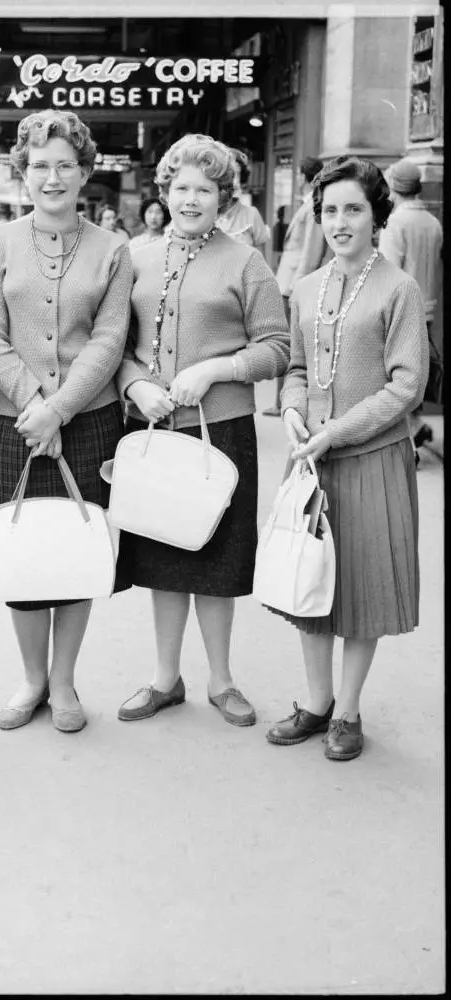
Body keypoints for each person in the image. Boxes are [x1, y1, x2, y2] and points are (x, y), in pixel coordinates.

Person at [116, 133, 289, 726]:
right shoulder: (134, 258)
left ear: (224, 197)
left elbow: (277, 350)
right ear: (165, 192)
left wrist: (215, 369)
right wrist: (136, 385)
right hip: (155, 432)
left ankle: (222, 681)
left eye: (205, 189)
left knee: (216, 560)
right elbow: (116, 346)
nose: (191, 199)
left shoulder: (246, 261)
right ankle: (166, 679)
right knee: (164, 554)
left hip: (225, 431)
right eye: (181, 187)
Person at [0, 109, 133, 734]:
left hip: (90, 421)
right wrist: (34, 404)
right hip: (15, 423)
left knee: (74, 551)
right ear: (23, 172)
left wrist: (60, 408)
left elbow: (110, 337)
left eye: (66, 165)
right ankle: (31, 677)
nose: (52, 176)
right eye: (40, 165)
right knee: (23, 552)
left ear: (85, 172)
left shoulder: (111, 248)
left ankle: (64, 681)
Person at [265, 155, 428, 761]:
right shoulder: (307, 288)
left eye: (353, 209)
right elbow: (299, 369)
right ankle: (315, 702)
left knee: (360, 589)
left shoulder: (398, 288)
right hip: (313, 458)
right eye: (330, 210)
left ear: (376, 215)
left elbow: (406, 384)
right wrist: (289, 410)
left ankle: (349, 711)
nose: (340, 221)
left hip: (372, 459)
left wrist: (337, 432)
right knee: (311, 583)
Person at [379, 157, 443, 461]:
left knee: (398, 377)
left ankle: (410, 444)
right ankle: (416, 427)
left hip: (402, 310)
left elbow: (388, 274)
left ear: (394, 186)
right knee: (414, 374)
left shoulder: (396, 222)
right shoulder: (433, 222)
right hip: (427, 308)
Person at [263, 156, 327, 417]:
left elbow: (311, 249)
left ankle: (285, 402)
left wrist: (301, 284)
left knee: (291, 344)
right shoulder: (308, 204)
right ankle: (282, 401)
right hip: (289, 281)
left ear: (304, 177)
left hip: (294, 284)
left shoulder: (313, 204)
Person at [216, 148, 270, 254]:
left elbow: (260, 263)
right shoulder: (202, 214)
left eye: (236, 175)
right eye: (226, 176)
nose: (232, 181)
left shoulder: (251, 215)